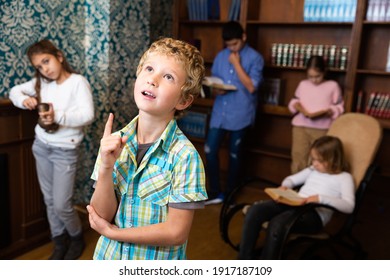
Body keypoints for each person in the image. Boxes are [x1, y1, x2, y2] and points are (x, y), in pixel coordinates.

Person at [86, 37, 208, 260]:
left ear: (183, 100)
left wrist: (116, 232)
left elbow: (176, 232)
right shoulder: (113, 142)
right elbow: (101, 215)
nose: (153, 80)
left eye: (168, 76)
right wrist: (105, 167)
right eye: (149, 69)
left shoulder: (185, 157)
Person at [9, 39, 95, 259]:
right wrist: (25, 100)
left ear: (59, 56)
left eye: (46, 61)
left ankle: (76, 237)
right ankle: (59, 241)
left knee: (62, 204)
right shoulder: (41, 82)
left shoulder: (78, 82)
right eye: (39, 66)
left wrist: (58, 116)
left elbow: (88, 115)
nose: (44, 69)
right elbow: (14, 91)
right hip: (41, 146)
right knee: (48, 201)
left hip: (65, 151)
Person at [238, 135, 355, 259]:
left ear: (334, 159)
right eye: (313, 159)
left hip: (313, 215)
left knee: (278, 223)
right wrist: (285, 186)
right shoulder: (312, 170)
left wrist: (320, 198)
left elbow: (349, 206)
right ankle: (244, 259)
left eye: (319, 161)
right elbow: (291, 180)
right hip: (294, 203)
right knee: (255, 211)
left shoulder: (344, 178)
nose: (314, 164)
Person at [204, 21, 264, 205]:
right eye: (228, 45)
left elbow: (252, 87)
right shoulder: (221, 56)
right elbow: (214, 81)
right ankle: (215, 191)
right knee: (209, 150)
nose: (231, 48)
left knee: (234, 154)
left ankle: (230, 194)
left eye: (235, 44)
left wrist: (237, 64)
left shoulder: (255, 58)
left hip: (241, 113)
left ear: (243, 37)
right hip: (220, 111)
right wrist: (216, 90)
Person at [288, 55, 344, 174]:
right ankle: (295, 188)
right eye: (310, 77)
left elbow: (339, 106)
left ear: (324, 72)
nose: (314, 80)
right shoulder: (303, 84)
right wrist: (296, 105)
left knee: (319, 159)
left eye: (317, 76)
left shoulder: (332, 85)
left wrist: (331, 111)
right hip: (300, 127)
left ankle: (312, 187)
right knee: (298, 156)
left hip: (322, 129)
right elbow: (294, 101)